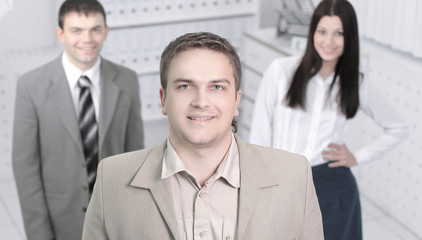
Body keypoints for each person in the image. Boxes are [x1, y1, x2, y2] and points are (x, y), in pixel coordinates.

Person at [82, 32, 323, 240]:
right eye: (185, 86)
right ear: (163, 99)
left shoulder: (294, 177)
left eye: (217, 87)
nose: (201, 102)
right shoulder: (111, 181)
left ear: (236, 100)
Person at [249, 0, 409, 239]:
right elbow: (259, 137)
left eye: (339, 33)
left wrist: (357, 157)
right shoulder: (280, 71)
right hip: (282, 180)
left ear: (350, 38)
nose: (329, 41)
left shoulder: (356, 83)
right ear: (313, 31)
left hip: (331, 186)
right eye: (322, 31)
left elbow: (398, 128)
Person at [12, 0, 144, 239]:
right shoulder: (31, 87)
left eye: (95, 29)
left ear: (106, 31)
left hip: (115, 218)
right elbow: (26, 169)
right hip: (60, 219)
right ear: (60, 34)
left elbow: (135, 155)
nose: (87, 39)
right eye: (76, 30)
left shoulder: (127, 80)